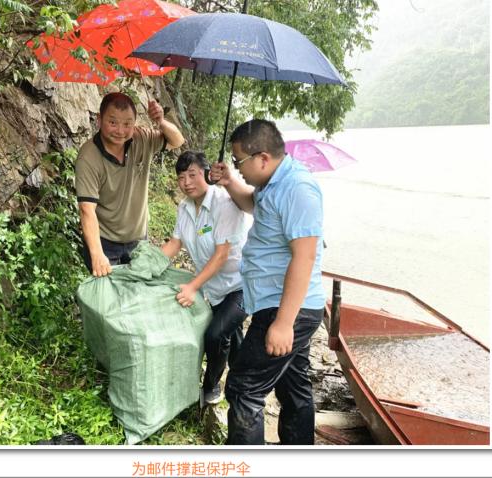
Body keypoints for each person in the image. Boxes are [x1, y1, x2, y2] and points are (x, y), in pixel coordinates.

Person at [209, 119, 325, 445]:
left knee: (243, 388)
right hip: (279, 303)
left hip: (285, 307)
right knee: (293, 386)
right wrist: (229, 181)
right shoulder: (272, 183)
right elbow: (253, 204)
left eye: (238, 162)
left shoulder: (298, 189)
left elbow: (304, 257)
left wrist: (284, 323)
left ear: (262, 158)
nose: (237, 167)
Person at [161, 151, 249, 405]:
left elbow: (222, 255)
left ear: (207, 173)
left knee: (215, 335)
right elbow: (175, 243)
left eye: (192, 175)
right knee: (231, 335)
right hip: (214, 287)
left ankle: (211, 387)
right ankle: (242, 384)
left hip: (241, 284)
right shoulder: (185, 207)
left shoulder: (225, 204)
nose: (186, 182)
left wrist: (192, 287)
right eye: (181, 177)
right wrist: (150, 264)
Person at [75, 92, 185, 277]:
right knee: (108, 294)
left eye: (127, 124)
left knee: (137, 290)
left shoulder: (142, 138)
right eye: (113, 122)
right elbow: (87, 209)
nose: (120, 131)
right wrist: (97, 254)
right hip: (104, 242)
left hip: (138, 240)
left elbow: (177, 141)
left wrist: (161, 121)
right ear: (99, 120)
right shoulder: (88, 157)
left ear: (134, 123)